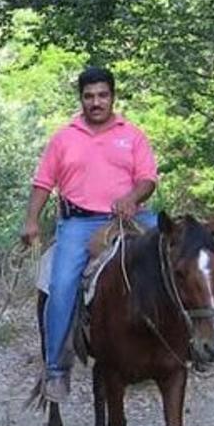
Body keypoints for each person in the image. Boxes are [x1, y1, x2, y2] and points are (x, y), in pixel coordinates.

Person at [19, 66, 159, 403]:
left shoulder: (133, 135)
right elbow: (43, 183)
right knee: (62, 283)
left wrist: (131, 198)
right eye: (89, 96)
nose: (96, 102)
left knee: (179, 254)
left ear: (112, 96)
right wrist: (31, 220)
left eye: (102, 95)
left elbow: (148, 179)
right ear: (80, 99)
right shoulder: (63, 137)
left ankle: (189, 344)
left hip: (128, 218)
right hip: (79, 224)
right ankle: (55, 369)